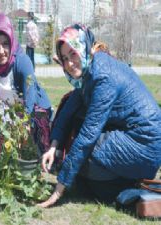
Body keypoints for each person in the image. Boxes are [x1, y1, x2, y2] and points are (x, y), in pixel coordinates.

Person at [38, 24, 161, 207]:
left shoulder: (102, 76)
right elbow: (68, 110)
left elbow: (88, 135)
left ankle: (133, 186)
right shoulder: (90, 68)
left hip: (145, 145)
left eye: (73, 53)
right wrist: (53, 146)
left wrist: (58, 190)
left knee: (82, 159)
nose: (70, 64)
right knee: (88, 185)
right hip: (132, 139)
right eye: (64, 58)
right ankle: (122, 185)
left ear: (84, 47)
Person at [0, 13, 53, 163]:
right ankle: (0, 153)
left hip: (34, 112)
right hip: (13, 113)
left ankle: (36, 150)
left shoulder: (23, 62)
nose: (1, 51)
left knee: (32, 154)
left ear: (12, 42)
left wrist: (19, 141)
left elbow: (29, 104)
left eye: (5, 44)